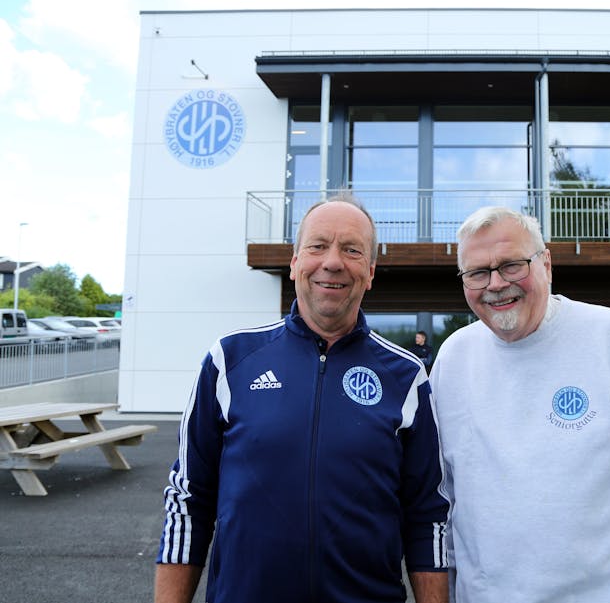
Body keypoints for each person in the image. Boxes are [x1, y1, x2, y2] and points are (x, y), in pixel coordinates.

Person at [154, 195, 450, 603]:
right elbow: (188, 501)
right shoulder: (230, 360)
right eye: (317, 245)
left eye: (352, 250)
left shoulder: (405, 375)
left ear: (370, 273)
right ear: (294, 263)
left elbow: (427, 515)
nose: (332, 262)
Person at [429, 206, 610, 603]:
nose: (495, 284)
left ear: (546, 263)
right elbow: (441, 495)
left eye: (512, 265)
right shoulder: (453, 360)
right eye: (478, 272)